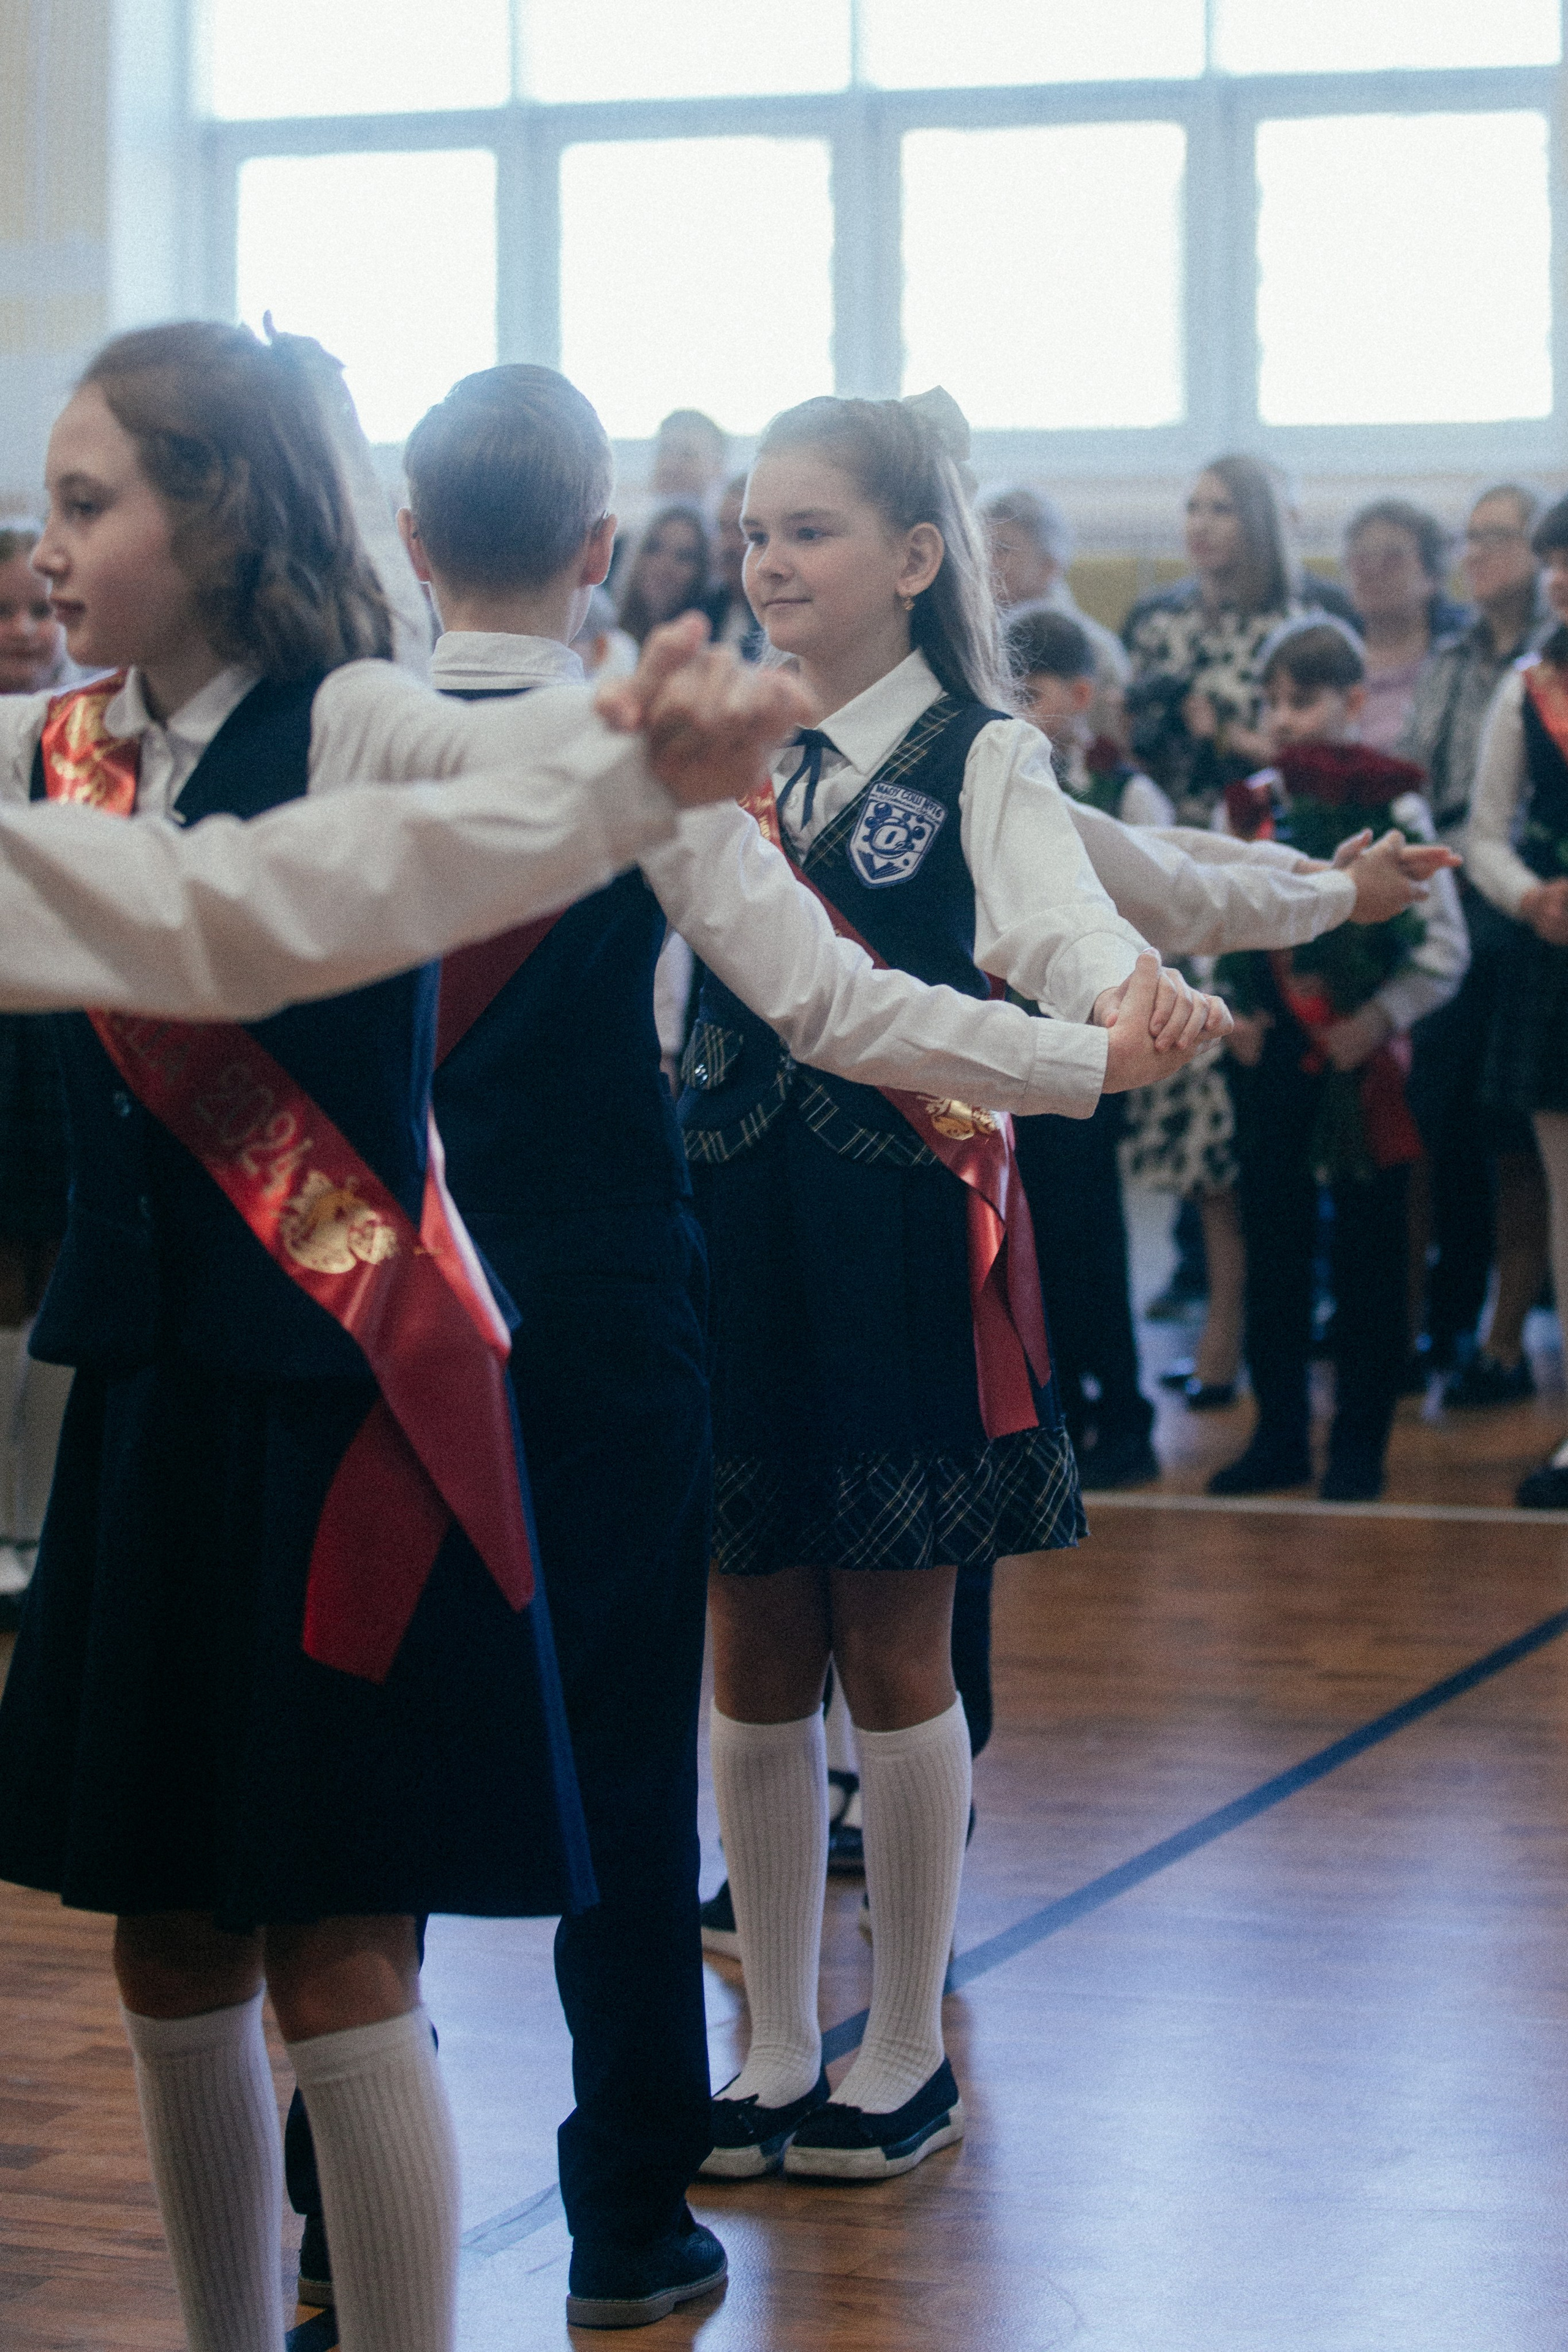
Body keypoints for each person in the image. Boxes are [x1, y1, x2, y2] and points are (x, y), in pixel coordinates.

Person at [0, 319, 822, 2352]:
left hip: (345, 1404)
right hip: (150, 1406)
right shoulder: (55, 741)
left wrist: (634, 750)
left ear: (217, 511)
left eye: (88, 502)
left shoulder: (359, 706)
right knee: (166, 1947)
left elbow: (496, 763)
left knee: (338, 1945)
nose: (48, 542)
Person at [677, 385, 1232, 2189]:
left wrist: (1118, 998)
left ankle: (901, 2038)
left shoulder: (978, 751)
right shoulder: (712, 746)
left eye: (811, 527)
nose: (768, 557)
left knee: (890, 1637)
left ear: (916, 558)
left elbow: (1058, 917)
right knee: (752, 1626)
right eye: (755, 526)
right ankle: (768, 2032)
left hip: (899, 1226)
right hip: (730, 1220)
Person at [1212, 619, 1468, 1501]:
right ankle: (1278, 1433)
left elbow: (1444, 947)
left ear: (1356, 703)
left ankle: (1361, 1444)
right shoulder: (1247, 805)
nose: (1283, 718)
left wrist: (1381, 1018)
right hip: (1275, 1054)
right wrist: (1232, 1007)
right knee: (1272, 1250)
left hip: (1364, 1059)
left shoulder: (1395, 807)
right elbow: (1214, 911)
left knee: (1369, 1259)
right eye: (1272, 700)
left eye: (1305, 699)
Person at [1004, 606, 1169, 1486]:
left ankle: (1127, 1413)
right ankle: (1054, 1412)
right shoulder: (994, 786)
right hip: (1019, 1051)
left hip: (1097, 1049)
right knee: (1032, 1238)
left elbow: (1161, 906)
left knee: (1091, 1240)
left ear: (1078, 695)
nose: (1015, 711)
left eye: (1028, 694)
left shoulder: (1124, 792)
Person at [1400, 484, 1552, 1404]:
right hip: (1448, 889)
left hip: (1525, 907)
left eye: (1499, 537)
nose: (1478, 552)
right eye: (1473, 537)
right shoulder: (1452, 657)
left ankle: (1504, 1338)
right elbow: (1420, 774)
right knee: (1431, 1119)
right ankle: (1429, 1325)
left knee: (1515, 1140)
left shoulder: (1547, 661)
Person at [1466, 493, 1568, 1507]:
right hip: (1557, 962)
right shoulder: (1525, 687)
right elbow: (1486, 829)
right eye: (1553, 561)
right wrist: (1529, 895)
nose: (1559, 577)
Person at [0, 521, 78, 1627]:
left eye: (36, 610)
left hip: (65, 1031)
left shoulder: (91, 738)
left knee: (65, 1264)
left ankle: (48, 1522)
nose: (22, 631)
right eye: (0, 614)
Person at [1123, 454, 1330, 826]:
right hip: (1154, 817)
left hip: (1257, 824)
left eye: (1221, 511)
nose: (1200, 526)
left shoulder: (1293, 628)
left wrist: (1223, 735)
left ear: (1258, 522)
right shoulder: (1155, 621)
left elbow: (1318, 762)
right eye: (1192, 509)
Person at [981, 486, 1129, 708]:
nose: (983, 560)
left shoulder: (1097, 652)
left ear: (1049, 566)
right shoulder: (965, 635)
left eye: (1001, 549)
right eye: (978, 546)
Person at [1342, 499, 1468, 755]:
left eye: (1392, 558)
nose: (1373, 570)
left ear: (1432, 577)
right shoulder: (1329, 653)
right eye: (1361, 558)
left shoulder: (1462, 658)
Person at [617, 503, 711, 647]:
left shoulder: (706, 648)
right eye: (654, 549)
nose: (664, 566)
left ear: (701, 571)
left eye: (683, 556)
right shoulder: (603, 636)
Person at [701, 472, 763, 658]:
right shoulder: (701, 608)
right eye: (722, 527)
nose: (727, 543)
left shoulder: (779, 616)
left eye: (741, 531)